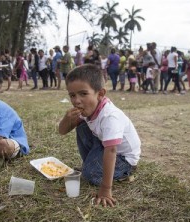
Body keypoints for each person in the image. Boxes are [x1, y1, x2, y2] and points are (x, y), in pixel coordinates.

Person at [59, 64, 141, 207]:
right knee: (82, 127)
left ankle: (124, 173)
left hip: (124, 158)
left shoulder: (110, 116)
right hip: (104, 145)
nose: (76, 100)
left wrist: (105, 189)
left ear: (100, 94)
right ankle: (89, 165)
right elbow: (62, 131)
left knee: (90, 175)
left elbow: (112, 150)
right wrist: (67, 118)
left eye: (83, 94)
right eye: (72, 95)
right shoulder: (89, 110)